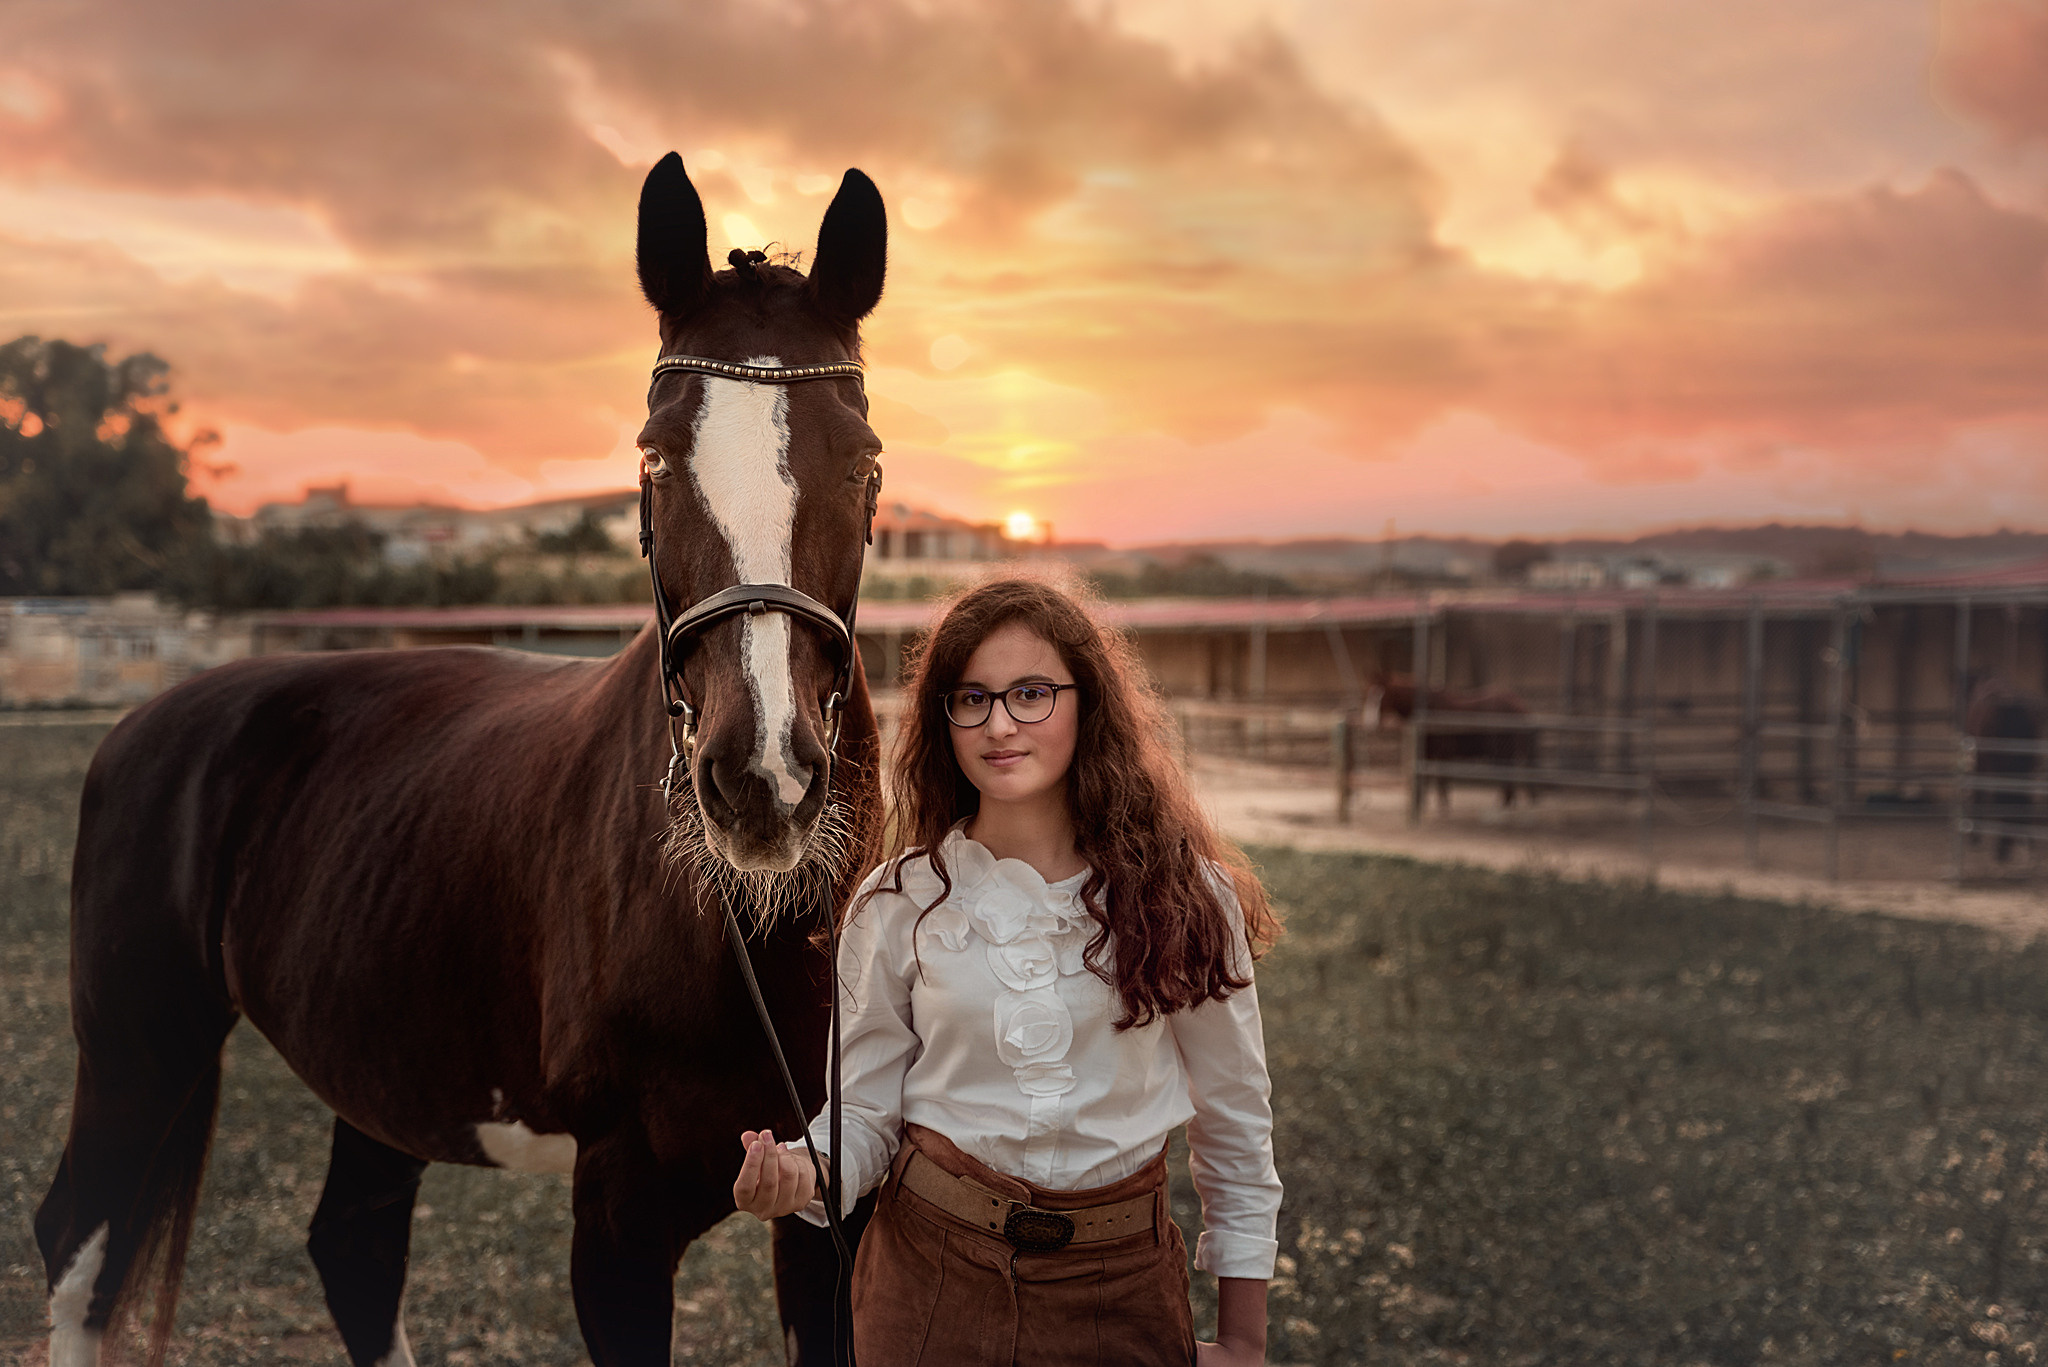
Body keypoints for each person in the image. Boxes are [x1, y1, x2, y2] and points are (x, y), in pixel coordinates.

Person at [732, 576, 1283, 1367]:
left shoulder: (1190, 898)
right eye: (971, 698)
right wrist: (798, 1171)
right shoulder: (897, 903)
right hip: (927, 1283)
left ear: (1086, 701)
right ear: (943, 718)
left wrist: (1244, 1340)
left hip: (1119, 1287)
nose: (999, 724)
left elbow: (1235, 1125)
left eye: (1031, 693)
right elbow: (863, 1121)